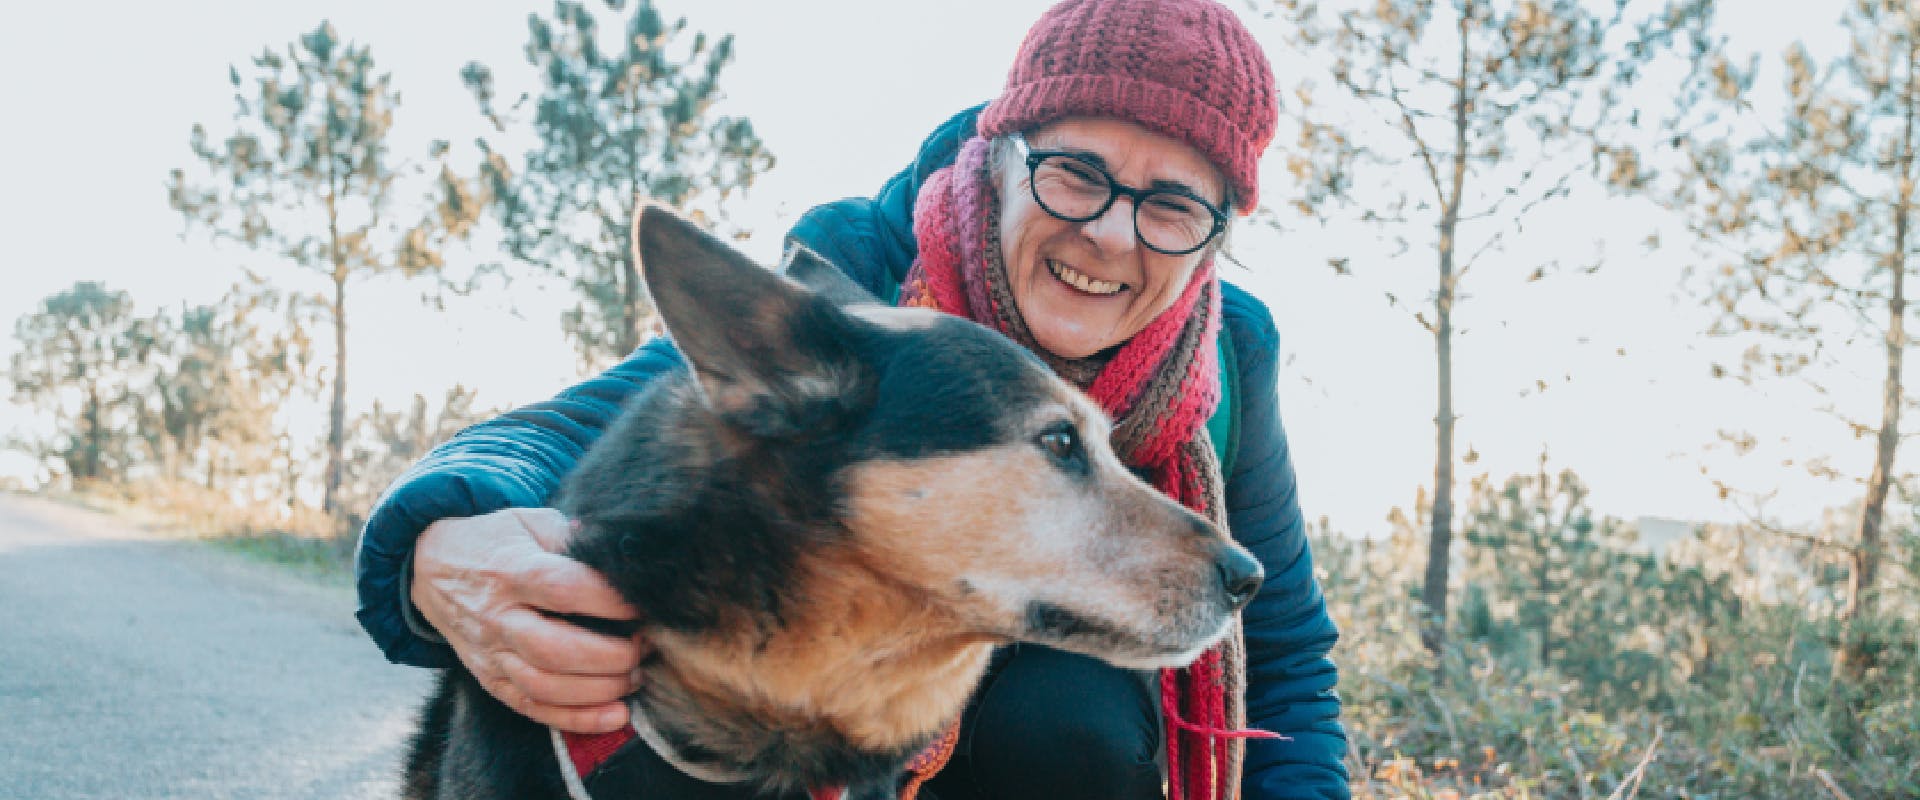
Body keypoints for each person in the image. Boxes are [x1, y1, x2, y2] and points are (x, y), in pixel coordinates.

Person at [355, 0, 1348, 797]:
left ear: (1215, 234)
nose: (1112, 235)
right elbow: (630, 414)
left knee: (1071, 720)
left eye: (1173, 204)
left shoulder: (1231, 351)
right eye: (1075, 174)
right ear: (1000, 158)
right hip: (810, 697)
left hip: (1000, 721)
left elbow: (1288, 652)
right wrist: (443, 533)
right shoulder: (867, 269)